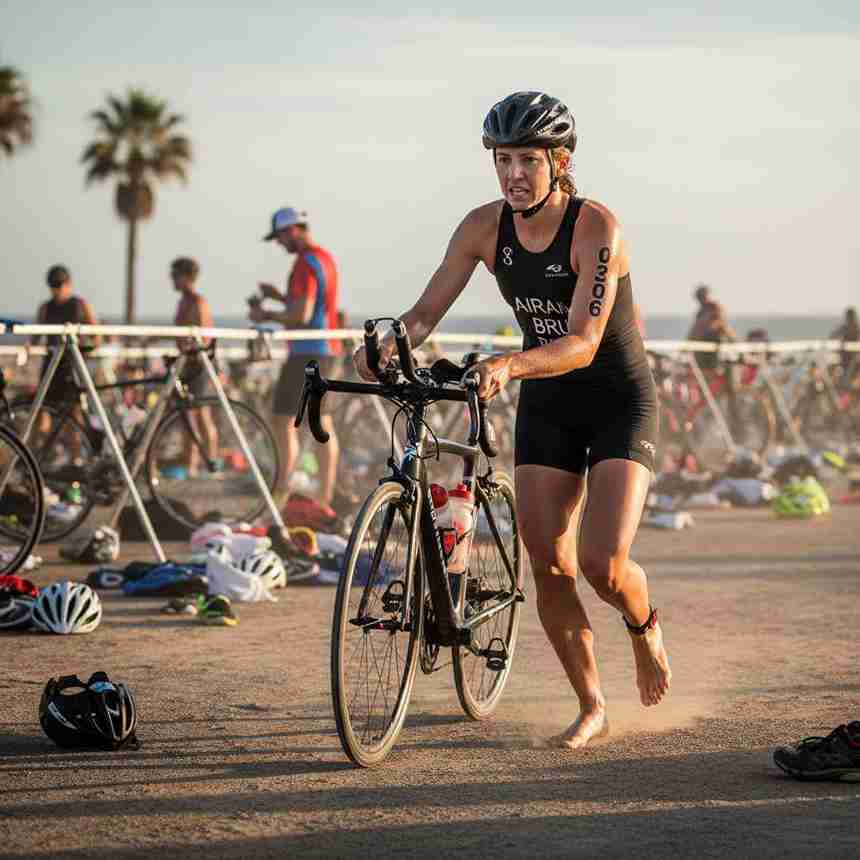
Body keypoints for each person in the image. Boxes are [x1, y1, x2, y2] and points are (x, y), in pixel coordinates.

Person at [353, 91, 670, 749]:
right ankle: (591, 705)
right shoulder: (481, 227)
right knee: (548, 561)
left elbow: (583, 342)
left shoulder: (595, 229)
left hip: (617, 398)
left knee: (602, 563)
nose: (513, 173)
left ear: (560, 160)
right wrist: (390, 346)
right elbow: (424, 314)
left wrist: (508, 364)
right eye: (502, 159)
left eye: (527, 158)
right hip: (549, 402)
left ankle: (643, 626)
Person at [249, 207, 342, 511]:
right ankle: (324, 500)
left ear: (293, 231)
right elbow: (315, 308)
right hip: (327, 349)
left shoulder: (304, 263)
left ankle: (280, 495)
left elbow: (301, 316)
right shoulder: (325, 258)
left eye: (279, 237)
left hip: (305, 352)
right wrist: (280, 297)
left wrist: (266, 314)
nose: (279, 244)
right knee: (321, 422)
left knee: (282, 422)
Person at [32, 265, 100, 461]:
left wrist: (87, 351)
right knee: (42, 412)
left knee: (73, 415)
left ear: (68, 284)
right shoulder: (45, 308)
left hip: (72, 365)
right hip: (51, 364)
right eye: (53, 286)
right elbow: (36, 337)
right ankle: (41, 459)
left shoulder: (79, 304)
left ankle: (76, 458)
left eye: (59, 285)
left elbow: (95, 334)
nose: (56, 290)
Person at [171, 256, 219, 474]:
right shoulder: (183, 302)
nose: (172, 279)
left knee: (202, 415)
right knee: (186, 415)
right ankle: (189, 463)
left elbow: (205, 336)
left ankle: (211, 462)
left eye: (175, 275)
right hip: (186, 363)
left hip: (199, 364)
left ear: (187, 277)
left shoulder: (198, 302)